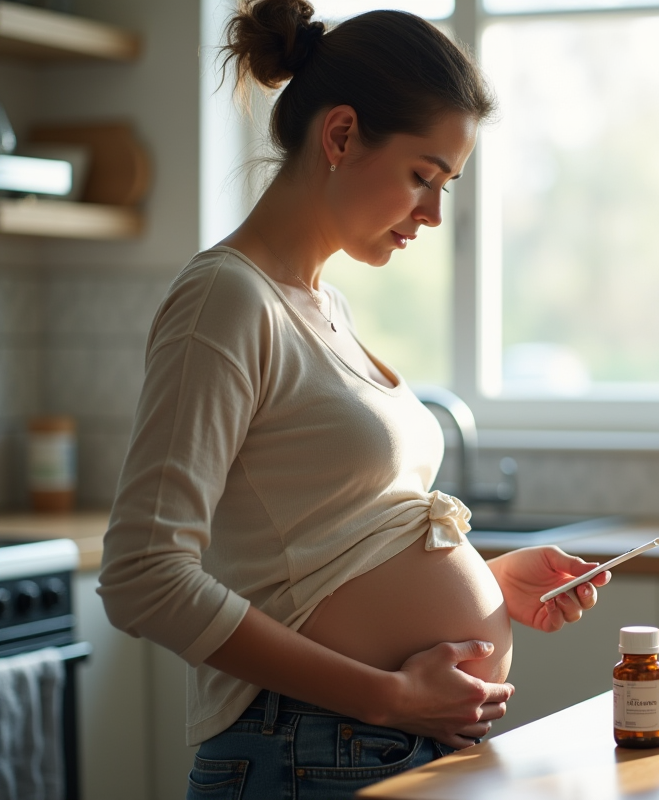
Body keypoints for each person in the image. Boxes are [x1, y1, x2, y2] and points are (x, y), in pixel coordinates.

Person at [97, 2, 612, 796]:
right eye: (422, 177)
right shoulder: (225, 300)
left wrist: (490, 580)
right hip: (306, 749)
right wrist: (388, 695)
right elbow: (142, 575)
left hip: (368, 746)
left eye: (445, 186)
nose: (433, 214)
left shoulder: (322, 304)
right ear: (340, 136)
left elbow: (325, 541)